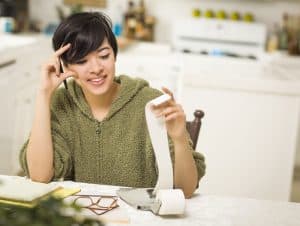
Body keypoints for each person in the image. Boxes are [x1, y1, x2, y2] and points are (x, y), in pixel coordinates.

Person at [19, 12, 205, 198]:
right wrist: (44, 95)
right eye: (82, 61)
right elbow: (39, 175)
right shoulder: (61, 103)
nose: (96, 68)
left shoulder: (150, 104)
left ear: (114, 55)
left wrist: (179, 138)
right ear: (65, 67)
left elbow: (185, 190)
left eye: (104, 55)